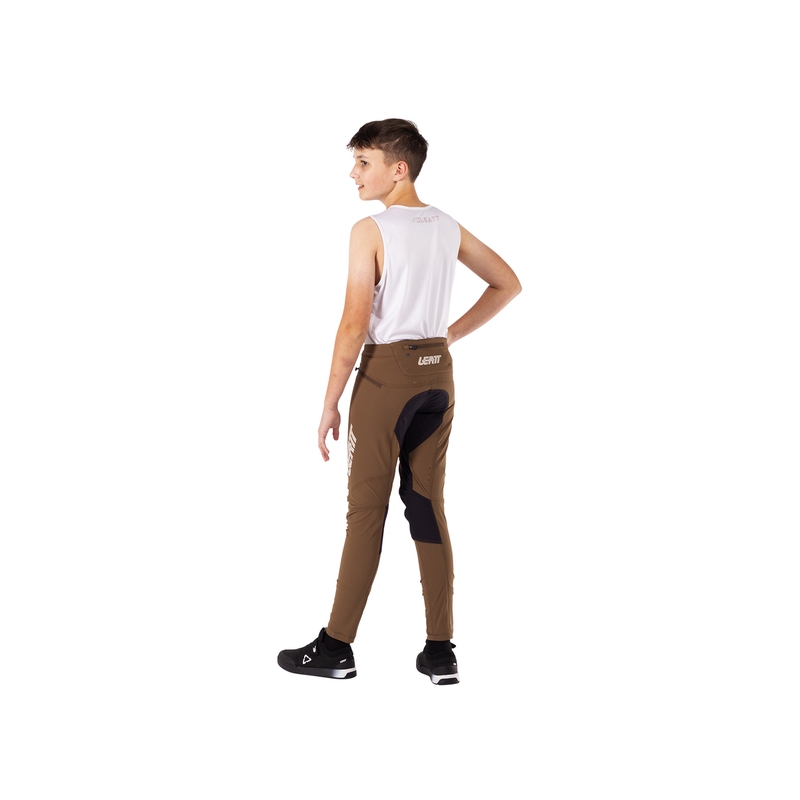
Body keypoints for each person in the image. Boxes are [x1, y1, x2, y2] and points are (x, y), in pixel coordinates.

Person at [277, 119, 521, 684]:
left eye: (364, 162)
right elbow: (507, 283)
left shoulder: (370, 230)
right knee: (427, 505)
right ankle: (440, 651)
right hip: (439, 378)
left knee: (366, 512)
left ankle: (336, 647)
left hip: (386, 380)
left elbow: (353, 325)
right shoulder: (447, 226)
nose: (353, 173)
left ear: (399, 168)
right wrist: (446, 336)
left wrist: (330, 403)